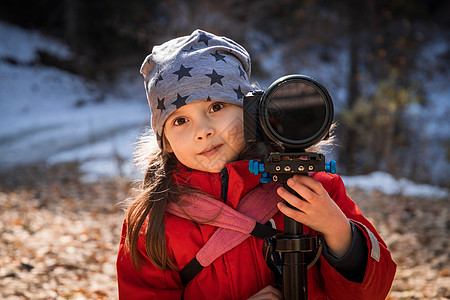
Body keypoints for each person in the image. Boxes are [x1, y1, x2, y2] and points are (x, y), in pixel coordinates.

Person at [116, 29, 396, 300]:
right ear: (165, 141)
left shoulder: (312, 189)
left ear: (251, 114)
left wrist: (338, 230)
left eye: (216, 107)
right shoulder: (152, 222)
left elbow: (373, 291)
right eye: (180, 120)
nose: (202, 131)